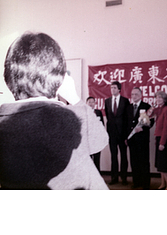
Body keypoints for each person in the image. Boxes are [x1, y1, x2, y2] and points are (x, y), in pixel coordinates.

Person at [0, 32, 109, 189]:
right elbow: (100, 139)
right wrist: (74, 97)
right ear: (59, 78)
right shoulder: (69, 118)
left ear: (8, 76)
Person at [126, 87, 154, 189]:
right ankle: (136, 182)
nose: (134, 96)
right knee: (134, 162)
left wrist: (143, 129)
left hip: (142, 139)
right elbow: (126, 124)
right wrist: (126, 138)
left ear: (141, 95)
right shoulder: (128, 107)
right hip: (132, 139)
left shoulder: (146, 107)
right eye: (132, 94)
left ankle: (146, 184)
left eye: (136, 94)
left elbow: (151, 122)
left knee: (144, 162)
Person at [105, 81, 130, 185]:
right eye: (111, 88)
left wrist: (127, 135)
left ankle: (124, 178)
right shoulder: (107, 101)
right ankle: (114, 177)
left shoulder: (125, 101)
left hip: (122, 134)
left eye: (115, 88)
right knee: (113, 156)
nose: (112, 89)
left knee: (124, 156)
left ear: (119, 89)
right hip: (112, 134)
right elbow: (108, 117)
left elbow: (128, 118)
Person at [150, 91, 167, 190]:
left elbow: (166, 128)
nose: (158, 99)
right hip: (158, 138)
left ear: (165, 99)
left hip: (164, 140)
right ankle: (163, 183)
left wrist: (162, 142)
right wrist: (153, 107)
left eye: (160, 98)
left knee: (164, 165)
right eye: (157, 98)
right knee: (160, 164)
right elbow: (148, 114)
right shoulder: (159, 109)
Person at [86, 96, 104, 174]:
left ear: (95, 103)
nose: (91, 104)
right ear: (86, 103)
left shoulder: (98, 112)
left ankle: (98, 178)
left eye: (92, 102)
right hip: (87, 141)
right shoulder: (84, 112)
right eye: (89, 102)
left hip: (97, 141)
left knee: (97, 160)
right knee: (88, 161)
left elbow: (102, 126)